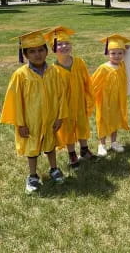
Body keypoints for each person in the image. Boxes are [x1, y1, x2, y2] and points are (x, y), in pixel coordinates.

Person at [0, 29, 68, 194]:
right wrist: (20, 123)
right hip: (31, 120)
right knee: (32, 148)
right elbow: (15, 101)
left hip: (51, 118)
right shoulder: (20, 75)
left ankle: (54, 169)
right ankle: (32, 176)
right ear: (25, 55)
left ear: (46, 51)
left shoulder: (55, 72)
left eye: (40, 50)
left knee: (50, 144)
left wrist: (60, 117)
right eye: (32, 51)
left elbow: (61, 96)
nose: (37, 54)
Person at [43, 26, 96, 170]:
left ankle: (84, 149)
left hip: (79, 101)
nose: (64, 46)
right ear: (53, 48)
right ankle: (72, 153)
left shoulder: (79, 62)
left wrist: (89, 98)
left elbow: (87, 82)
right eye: (59, 44)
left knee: (82, 125)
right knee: (67, 129)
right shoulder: (52, 70)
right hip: (64, 106)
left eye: (67, 43)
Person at [92, 34, 130, 156]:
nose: (117, 56)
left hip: (116, 100)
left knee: (115, 120)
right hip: (104, 101)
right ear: (108, 53)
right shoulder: (103, 68)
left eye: (120, 53)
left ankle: (113, 142)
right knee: (103, 121)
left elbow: (127, 50)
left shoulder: (121, 66)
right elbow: (93, 84)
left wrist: (127, 48)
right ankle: (102, 145)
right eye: (113, 53)